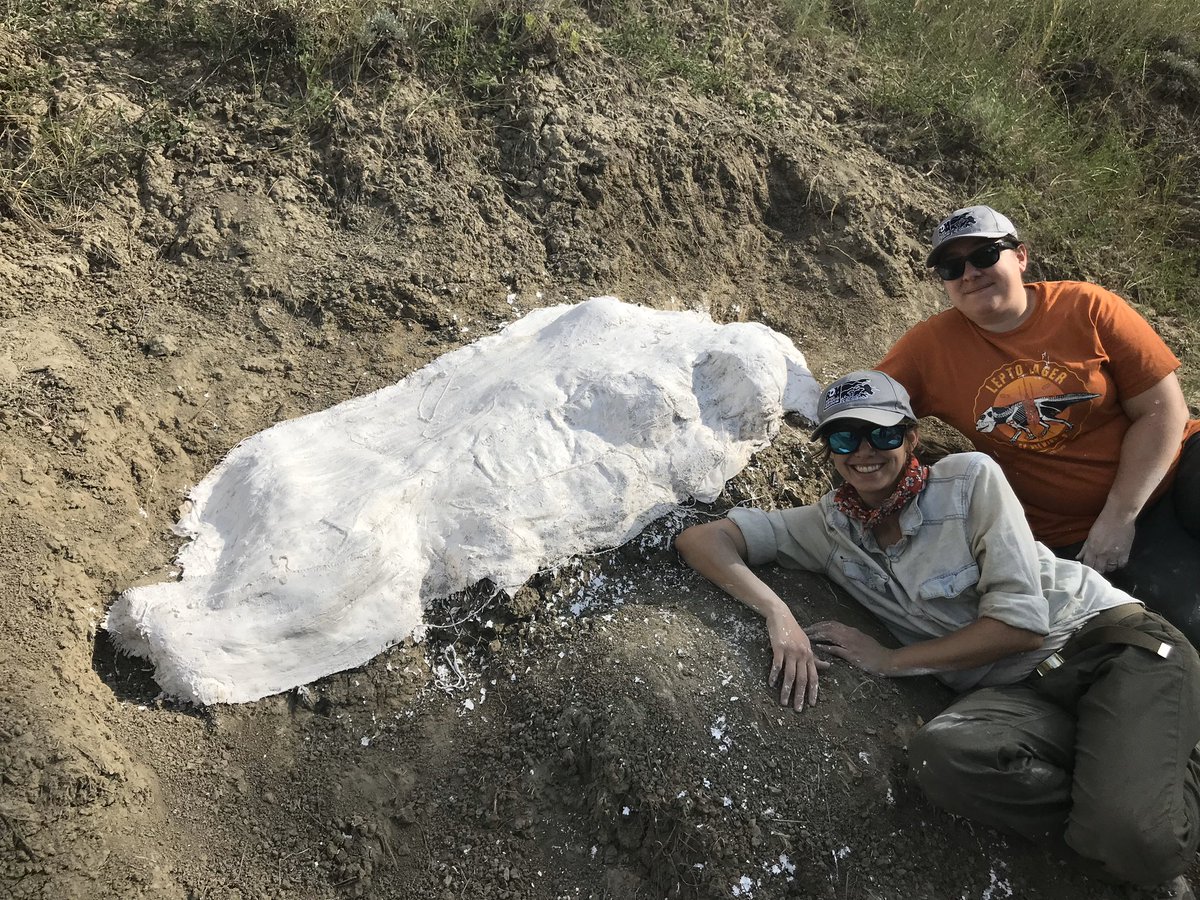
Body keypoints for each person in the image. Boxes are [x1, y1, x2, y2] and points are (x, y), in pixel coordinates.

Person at [675, 369, 1200, 899]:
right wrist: (775, 611)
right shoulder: (827, 527)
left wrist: (889, 660)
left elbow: (1020, 627)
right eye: (843, 437)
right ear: (829, 451)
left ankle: (1151, 802)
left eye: (881, 433)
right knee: (943, 758)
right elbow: (702, 539)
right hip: (1021, 695)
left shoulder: (970, 480)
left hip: (1110, 649)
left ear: (911, 437)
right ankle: (1122, 815)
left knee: (1134, 837)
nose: (864, 451)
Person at [876, 205, 1200, 644]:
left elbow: (1164, 411)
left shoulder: (1087, 306)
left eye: (985, 256)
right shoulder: (929, 349)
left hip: (1176, 468)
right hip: (1073, 530)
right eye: (952, 267)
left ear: (1021, 256)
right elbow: (870, 404)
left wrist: (1119, 515)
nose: (969, 274)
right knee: (1189, 618)